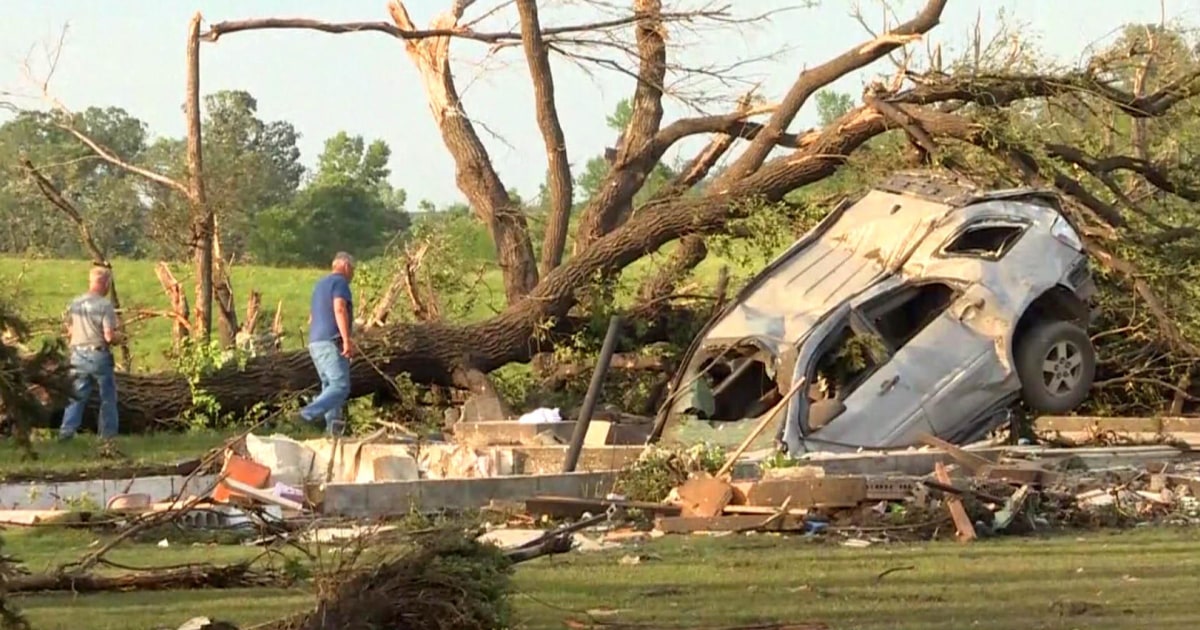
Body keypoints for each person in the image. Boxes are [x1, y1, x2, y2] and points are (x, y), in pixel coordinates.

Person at [59, 266, 123, 442]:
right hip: (98, 356)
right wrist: (121, 337)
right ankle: (107, 436)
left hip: (77, 355)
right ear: (105, 283)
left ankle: (66, 433)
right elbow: (108, 336)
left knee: (76, 397)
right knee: (107, 397)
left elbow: (70, 331)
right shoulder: (105, 305)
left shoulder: (75, 303)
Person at [297, 252, 356, 436]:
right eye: (352, 269)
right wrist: (346, 339)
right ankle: (308, 413)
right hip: (331, 341)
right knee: (340, 386)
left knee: (329, 386)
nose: (352, 274)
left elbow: (312, 317)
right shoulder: (340, 283)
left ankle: (333, 433)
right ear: (346, 266)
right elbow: (339, 308)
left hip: (315, 342)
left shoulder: (320, 285)